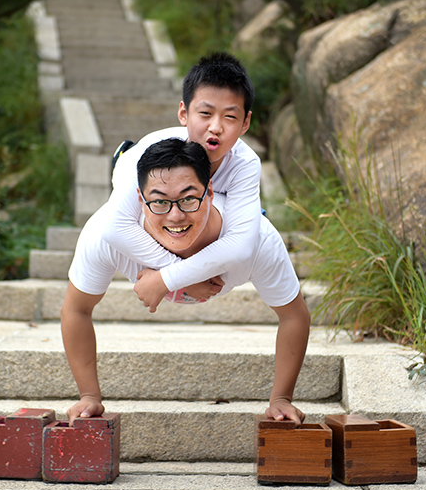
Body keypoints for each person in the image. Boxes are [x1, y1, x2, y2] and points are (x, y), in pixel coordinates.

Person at [62, 138, 310, 427]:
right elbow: (75, 310)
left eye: (189, 198)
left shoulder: (257, 240)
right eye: (159, 201)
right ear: (140, 201)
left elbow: (294, 315)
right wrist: (89, 395)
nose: (175, 215)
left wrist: (281, 400)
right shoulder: (105, 234)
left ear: (211, 193)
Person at [100, 52, 261, 313]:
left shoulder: (246, 163)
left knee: (254, 225)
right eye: (206, 113)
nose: (216, 127)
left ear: (245, 123)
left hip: (210, 204)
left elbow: (240, 246)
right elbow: (113, 228)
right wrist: (184, 279)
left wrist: (167, 279)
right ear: (184, 113)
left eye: (229, 117)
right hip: (128, 165)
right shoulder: (147, 157)